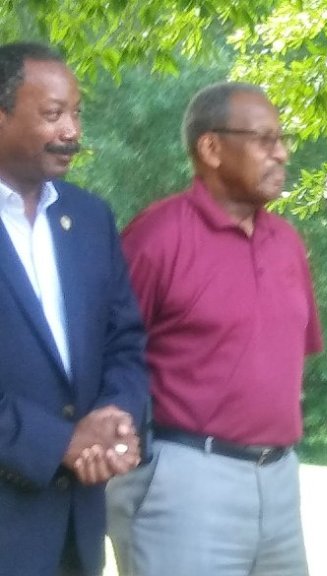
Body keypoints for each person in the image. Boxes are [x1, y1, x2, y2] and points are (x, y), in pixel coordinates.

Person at [105, 81, 323, 576]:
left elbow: (287, 361)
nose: (282, 153)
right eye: (264, 139)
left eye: (281, 139)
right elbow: (106, 355)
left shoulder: (286, 241)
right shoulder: (157, 236)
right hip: (184, 477)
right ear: (211, 148)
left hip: (280, 479)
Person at [0, 42, 148, 576]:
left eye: (77, 113)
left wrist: (116, 417)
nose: (72, 131)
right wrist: (60, 443)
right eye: (52, 114)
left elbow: (125, 341)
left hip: (74, 533)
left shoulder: (90, 218)